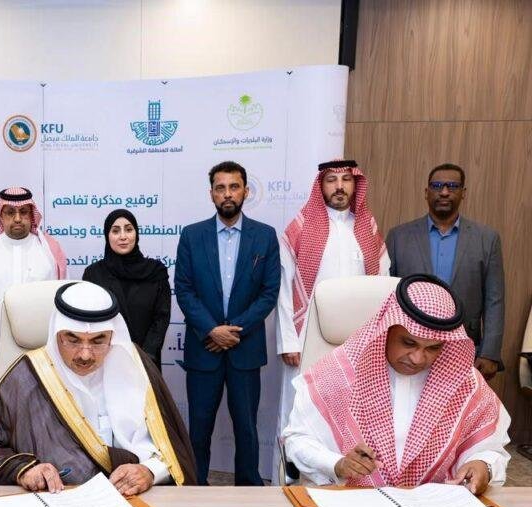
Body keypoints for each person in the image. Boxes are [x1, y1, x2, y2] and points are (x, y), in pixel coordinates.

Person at [282, 274, 510, 494]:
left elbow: (490, 448)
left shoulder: (465, 383)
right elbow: (297, 440)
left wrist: (483, 465)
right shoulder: (337, 374)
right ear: (387, 329)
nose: (418, 358)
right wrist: (338, 464)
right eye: (409, 343)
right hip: (350, 503)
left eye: (433, 348)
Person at [0, 282, 195, 494]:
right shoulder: (27, 375)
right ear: (57, 334)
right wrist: (23, 469)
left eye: (98, 341)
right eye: (73, 340)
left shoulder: (135, 367)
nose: (85, 355)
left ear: (113, 336)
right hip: (57, 499)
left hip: (132, 499)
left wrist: (150, 471)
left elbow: (173, 449)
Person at [273, 159, 389, 480]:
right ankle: (288, 480)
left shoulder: (368, 229)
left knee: (349, 408)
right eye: (331, 180)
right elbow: (284, 288)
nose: (339, 187)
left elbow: (383, 285)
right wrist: (289, 340)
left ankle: (347, 476)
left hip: (359, 342)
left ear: (355, 184)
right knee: (298, 409)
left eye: (346, 180)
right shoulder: (300, 229)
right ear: (320, 186)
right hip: (308, 338)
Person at [174, 161, 280, 486]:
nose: (227, 194)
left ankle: (248, 488)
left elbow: (268, 293)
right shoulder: (192, 236)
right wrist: (212, 330)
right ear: (211, 194)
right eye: (220, 188)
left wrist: (234, 330)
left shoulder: (265, 236)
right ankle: (195, 488)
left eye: (234, 187)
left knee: (246, 428)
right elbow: (184, 289)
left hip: (244, 349)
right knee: (199, 428)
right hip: (204, 348)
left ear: (246, 191)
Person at [385, 163, 504, 381]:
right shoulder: (398, 237)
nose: (445, 192)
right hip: (410, 347)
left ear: (463, 193)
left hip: (465, 346)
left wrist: (490, 352)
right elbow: (386, 295)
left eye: (453, 186)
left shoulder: (487, 239)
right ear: (426, 192)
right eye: (437, 186)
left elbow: (494, 300)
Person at [0, 187, 67, 410]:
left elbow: (59, 308)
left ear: (32, 215)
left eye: (24, 212)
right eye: (10, 212)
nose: (17, 219)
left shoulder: (47, 254)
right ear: (1, 216)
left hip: (39, 352)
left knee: (36, 410)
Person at [82, 208, 171, 368]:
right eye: (116, 231)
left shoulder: (155, 271)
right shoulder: (93, 274)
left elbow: (161, 318)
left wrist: (145, 355)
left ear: (136, 234)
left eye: (129, 230)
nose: (123, 236)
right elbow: (89, 322)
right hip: (105, 361)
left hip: (146, 360)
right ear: (107, 235)